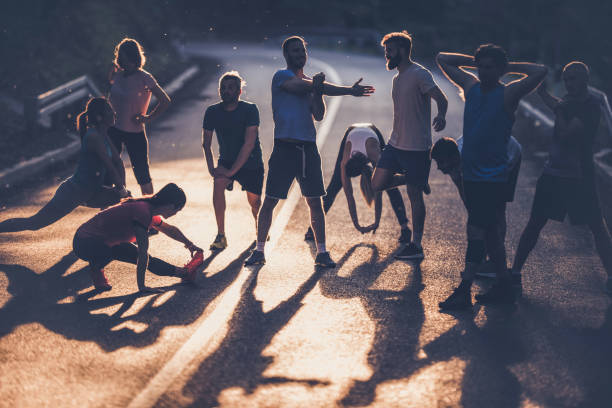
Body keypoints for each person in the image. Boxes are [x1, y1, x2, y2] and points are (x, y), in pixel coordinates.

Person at [244, 35, 374, 267]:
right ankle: (259, 250)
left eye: (302, 51)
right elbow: (301, 87)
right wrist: (346, 90)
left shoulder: (310, 83)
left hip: (307, 148)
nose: (300, 55)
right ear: (287, 55)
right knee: (271, 200)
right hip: (284, 147)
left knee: (315, 201)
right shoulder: (282, 77)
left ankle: (322, 253)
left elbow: (319, 114)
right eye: (295, 51)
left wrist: (318, 92)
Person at [436, 44, 547, 309]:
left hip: (493, 177)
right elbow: (443, 58)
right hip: (473, 175)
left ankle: (464, 290)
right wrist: (475, 63)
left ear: (499, 70)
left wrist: (508, 67)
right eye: (481, 67)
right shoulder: (471, 88)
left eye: (490, 67)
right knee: (491, 236)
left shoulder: (508, 93)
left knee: (475, 230)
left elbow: (540, 70)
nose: (484, 72)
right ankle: (505, 287)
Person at [511, 61, 612, 296]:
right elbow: (559, 106)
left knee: (598, 227)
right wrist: (543, 93)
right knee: (535, 223)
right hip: (554, 173)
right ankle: (515, 272)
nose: (569, 83)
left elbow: (568, 134)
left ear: (585, 79)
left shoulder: (590, 106)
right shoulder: (569, 103)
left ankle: (611, 276)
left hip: (579, 178)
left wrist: (558, 108)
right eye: (566, 79)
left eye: (573, 78)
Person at [371, 31, 448, 260]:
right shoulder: (397, 78)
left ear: (403, 51)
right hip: (395, 144)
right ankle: (414, 179)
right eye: (386, 50)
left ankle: (416, 245)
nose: (387, 54)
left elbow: (441, 98)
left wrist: (441, 116)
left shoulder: (419, 74)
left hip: (416, 147)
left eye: (390, 50)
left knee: (414, 196)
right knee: (377, 184)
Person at [0, 97, 129, 233]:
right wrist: (121, 189)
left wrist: (123, 189)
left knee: (121, 200)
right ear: (99, 117)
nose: (114, 113)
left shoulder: (103, 135)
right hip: (74, 191)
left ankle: (109, 237)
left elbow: (118, 162)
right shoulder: (93, 137)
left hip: (91, 192)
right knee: (34, 223)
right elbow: (109, 166)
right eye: (110, 111)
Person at [72, 183, 203, 292]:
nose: (175, 214)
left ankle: (183, 273)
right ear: (170, 205)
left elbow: (169, 229)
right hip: (84, 243)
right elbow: (142, 253)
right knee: (127, 254)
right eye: (177, 210)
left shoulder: (149, 210)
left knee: (139, 257)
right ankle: (96, 268)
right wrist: (142, 287)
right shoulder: (143, 212)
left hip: (101, 242)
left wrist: (189, 244)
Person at [431, 135, 522, 279]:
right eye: (437, 163)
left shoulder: (472, 162)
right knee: (480, 216)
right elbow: (466, 197)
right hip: (488, 155)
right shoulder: (453, 164)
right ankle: (484, 258)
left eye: (441, 162)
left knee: (497, 210)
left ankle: (494, 263)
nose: (439, 167)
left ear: (454, 158)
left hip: (507, 155)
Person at [303, 123, 411, 243]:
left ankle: (405, 228)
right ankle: (312, 229)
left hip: (373, 131)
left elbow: (378, 191)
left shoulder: (374, 154)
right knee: (334, 185)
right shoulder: (345, 161)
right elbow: (349, 195)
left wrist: (377, 221)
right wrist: (357, 225)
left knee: (388, 183)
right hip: (351, 131)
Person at [202, 71, 264, 250]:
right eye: (223, 88)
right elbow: (206, 144)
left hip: (251, 162)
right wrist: (211, 168)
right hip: (226, 161)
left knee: (255, 202)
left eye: (231, 88)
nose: (226, 91)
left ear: (239, 92)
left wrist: (231, 172)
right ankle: (221, 235)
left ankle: (259, 226)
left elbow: (249, 144)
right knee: (218, 183)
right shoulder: (212, 111)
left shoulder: (250, 109)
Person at [108, 38, 171, 196]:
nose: (125, 62)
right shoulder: (117, 75)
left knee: (142, 174)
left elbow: (165, 100)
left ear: (135, 58)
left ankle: (150, 211)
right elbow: (110, 96)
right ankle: (111, 210)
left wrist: (148, 118)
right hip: (113, 130)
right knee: (110, 172)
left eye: (128, 58)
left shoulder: (145, 77)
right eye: (122, 58)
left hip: (135, 132)